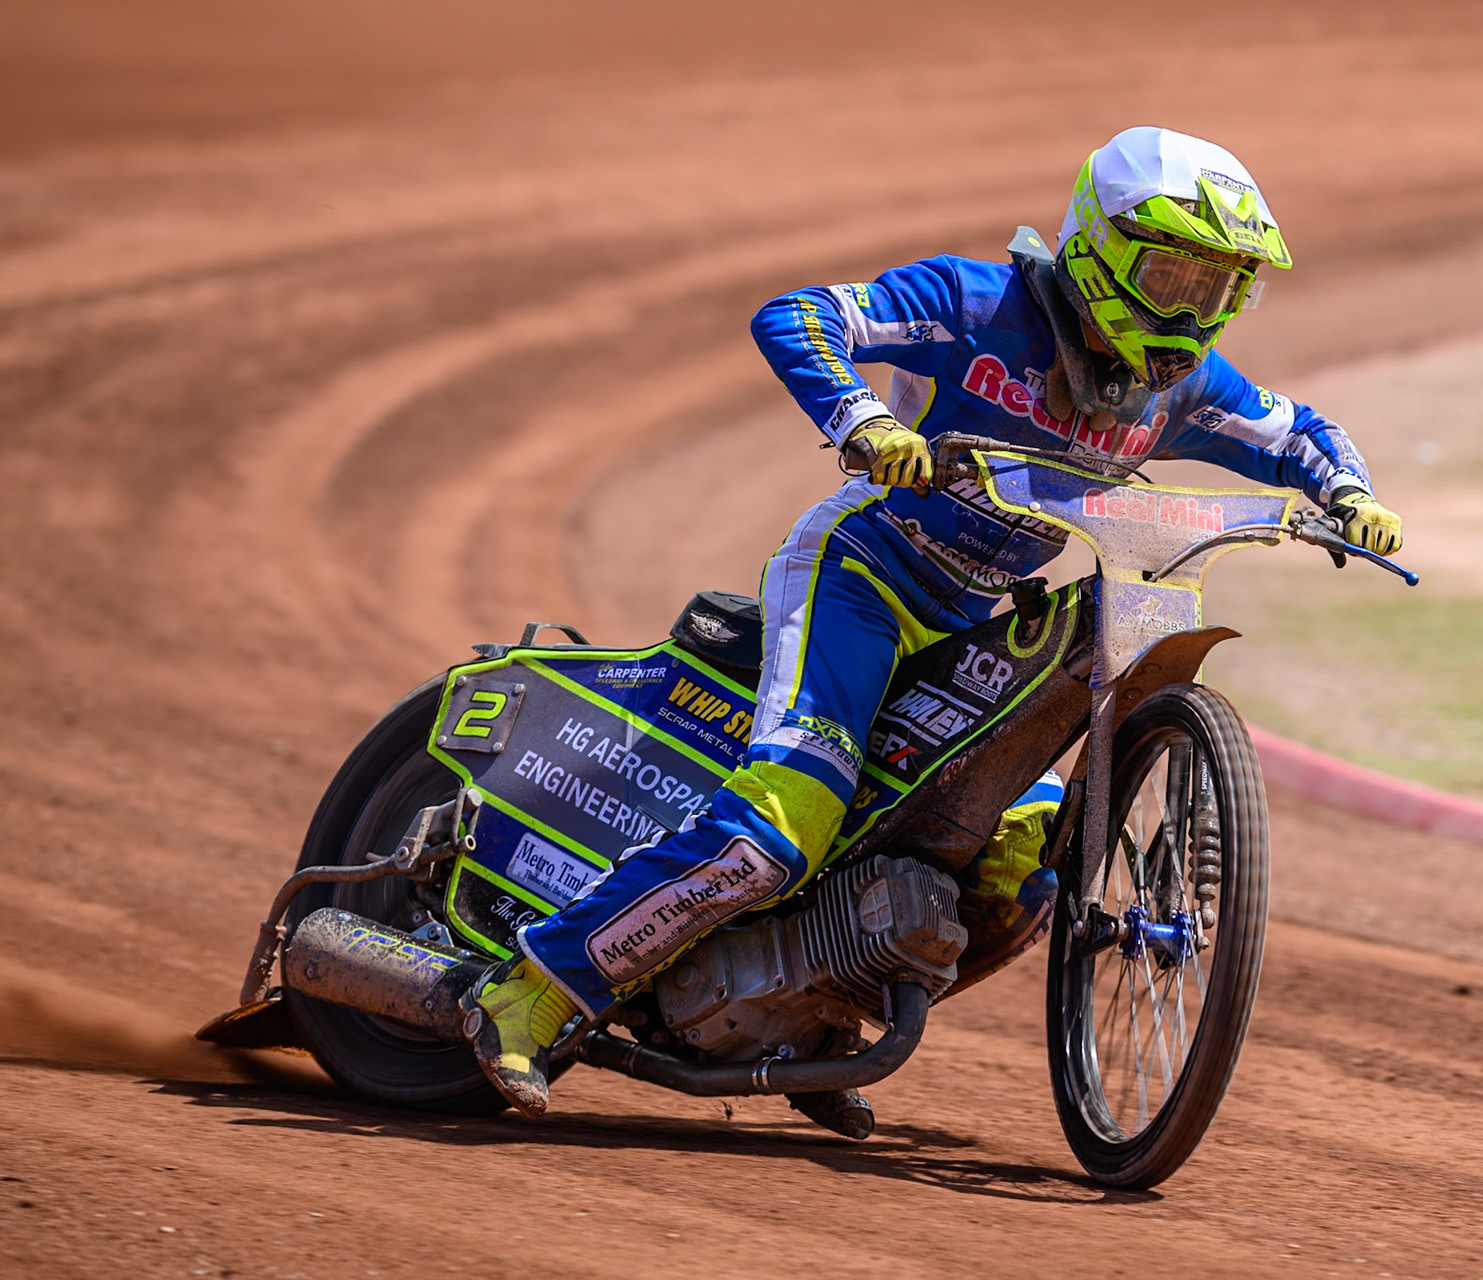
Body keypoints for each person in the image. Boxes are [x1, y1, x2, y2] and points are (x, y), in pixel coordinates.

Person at [460, 125, 1403, 1126]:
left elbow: (1298, 432)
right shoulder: (972, 303)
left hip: (978, 623)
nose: (1188, 313)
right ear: (1098, 245)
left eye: (1217, 290)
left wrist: (1348, 490)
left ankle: (808, 1018)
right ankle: (530, 990)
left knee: (1020, 869)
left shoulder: (1177, 390)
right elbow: (799, 315)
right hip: (863, 578)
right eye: (1171, 274)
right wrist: (863, 422)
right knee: (785, 823)